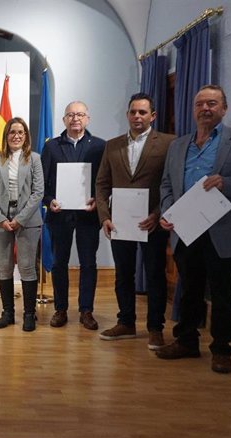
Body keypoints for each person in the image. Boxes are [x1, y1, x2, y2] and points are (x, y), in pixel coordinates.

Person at [157, 85, 231, 374]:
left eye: (212, 103)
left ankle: (222, 349)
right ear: (193, 109)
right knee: (189, 287)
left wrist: (228, 183)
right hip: (186, 228)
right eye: (200, 103)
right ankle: (186, 341)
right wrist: (167, 211)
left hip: (222, 229)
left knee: (222, 290)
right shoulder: (178, 145)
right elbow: (166, 184)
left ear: (224, 108)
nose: (205, 109)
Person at [95, 93, 175, 349]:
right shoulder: (112, 145)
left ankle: (155, 328)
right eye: (133, 112)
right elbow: (102, 183)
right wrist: (105, 217)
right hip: (120, 223)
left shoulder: (167, 143)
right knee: (123, 274)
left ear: (152, 115)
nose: (137, 116)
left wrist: (158, 213)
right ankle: (126, 322)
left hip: (152, 222)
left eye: (142, 112)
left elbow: (171, 184)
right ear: (127, 114)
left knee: (154, 274)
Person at [41, 101, 106, 330]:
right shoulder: (52, 147)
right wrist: (49, 201)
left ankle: (86, 311)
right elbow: (42, 183)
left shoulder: (100, 146)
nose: (75, 118)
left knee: (89, 263)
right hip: (60, 215)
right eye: (70, 115)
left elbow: (104, 182)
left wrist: (97, 203)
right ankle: (60, 309)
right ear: (64, 120)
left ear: (87, 118)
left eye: (80, 114)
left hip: (89, 215)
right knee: (59, 264)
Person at [0, 117, 44, 331]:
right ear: (6, 135)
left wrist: (20, 219)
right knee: (4, 267)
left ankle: (29, 314)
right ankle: (8, 313)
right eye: (12, 132)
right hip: (0, 220)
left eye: (20, 132)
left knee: (28, 267)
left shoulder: (34, 159)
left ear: (26, 136)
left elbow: (38, 192)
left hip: (27, 220)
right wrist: (1, 218)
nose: (16, 136)